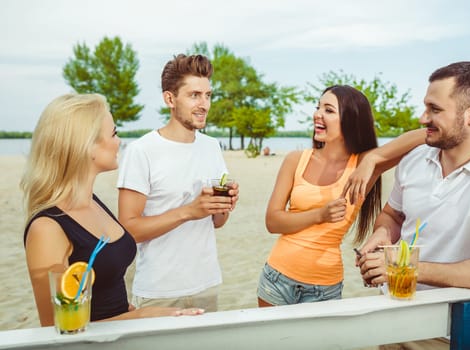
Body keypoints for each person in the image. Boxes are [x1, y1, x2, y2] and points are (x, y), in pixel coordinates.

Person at [356, 62, 470, 348]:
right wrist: (382, 235)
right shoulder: (415, 159)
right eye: (425, 107)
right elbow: (393, 215)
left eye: (435, 109)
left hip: (451, 331)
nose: (423, 118)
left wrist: (405, 268)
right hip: (393, 317)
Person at [21, 93, 203, 327]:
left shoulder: (93, 202)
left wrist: (130, 314)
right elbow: (57, 328)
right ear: (86, 146)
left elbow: (107, 293)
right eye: (114, 133)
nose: (119, 142)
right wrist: (142, 315)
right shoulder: (47, 228)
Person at [257, 85, 426, 307]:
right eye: (318, 107)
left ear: (351, 120)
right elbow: (273, 221)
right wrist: (320, 215)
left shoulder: (364, 166)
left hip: (323, 288)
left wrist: (372, 160)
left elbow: (422, 135)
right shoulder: (295, 159)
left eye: (328, 110)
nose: (318, 114)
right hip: (276, 279)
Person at [117, 54, 239, 312]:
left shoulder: (212, 147)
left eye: (208, 95)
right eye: (194, 95)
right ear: (169, 99)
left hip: (206, 283)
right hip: (159, 291)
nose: (204, 104)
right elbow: (129, 230)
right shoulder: (142, 151)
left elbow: (217, 223)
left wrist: (223, 205)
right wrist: (189, 211)